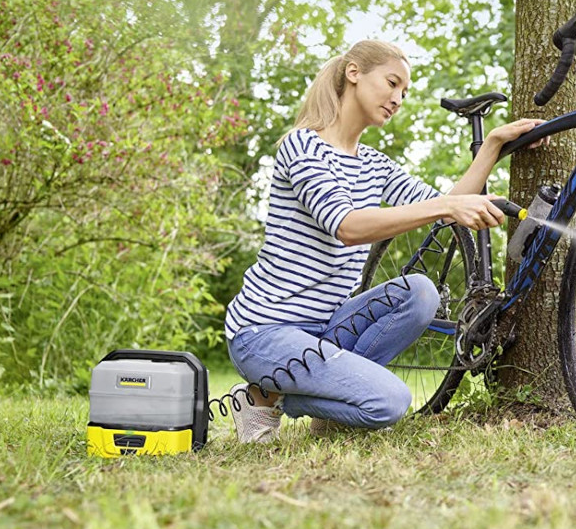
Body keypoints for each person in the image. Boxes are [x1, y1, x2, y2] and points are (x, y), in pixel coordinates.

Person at [224, 40, 544, 443]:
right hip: (265, 332)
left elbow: (444, 206)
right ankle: (261, 396)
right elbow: (347, 225)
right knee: (389, 403)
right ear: (354, 73)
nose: (398, 99)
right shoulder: (302, 146)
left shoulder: (375, 165)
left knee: (420, 293)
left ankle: (322, 400)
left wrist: (493, 146)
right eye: (392, 84)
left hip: (326, 330)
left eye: (404, 93)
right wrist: (449, 206)